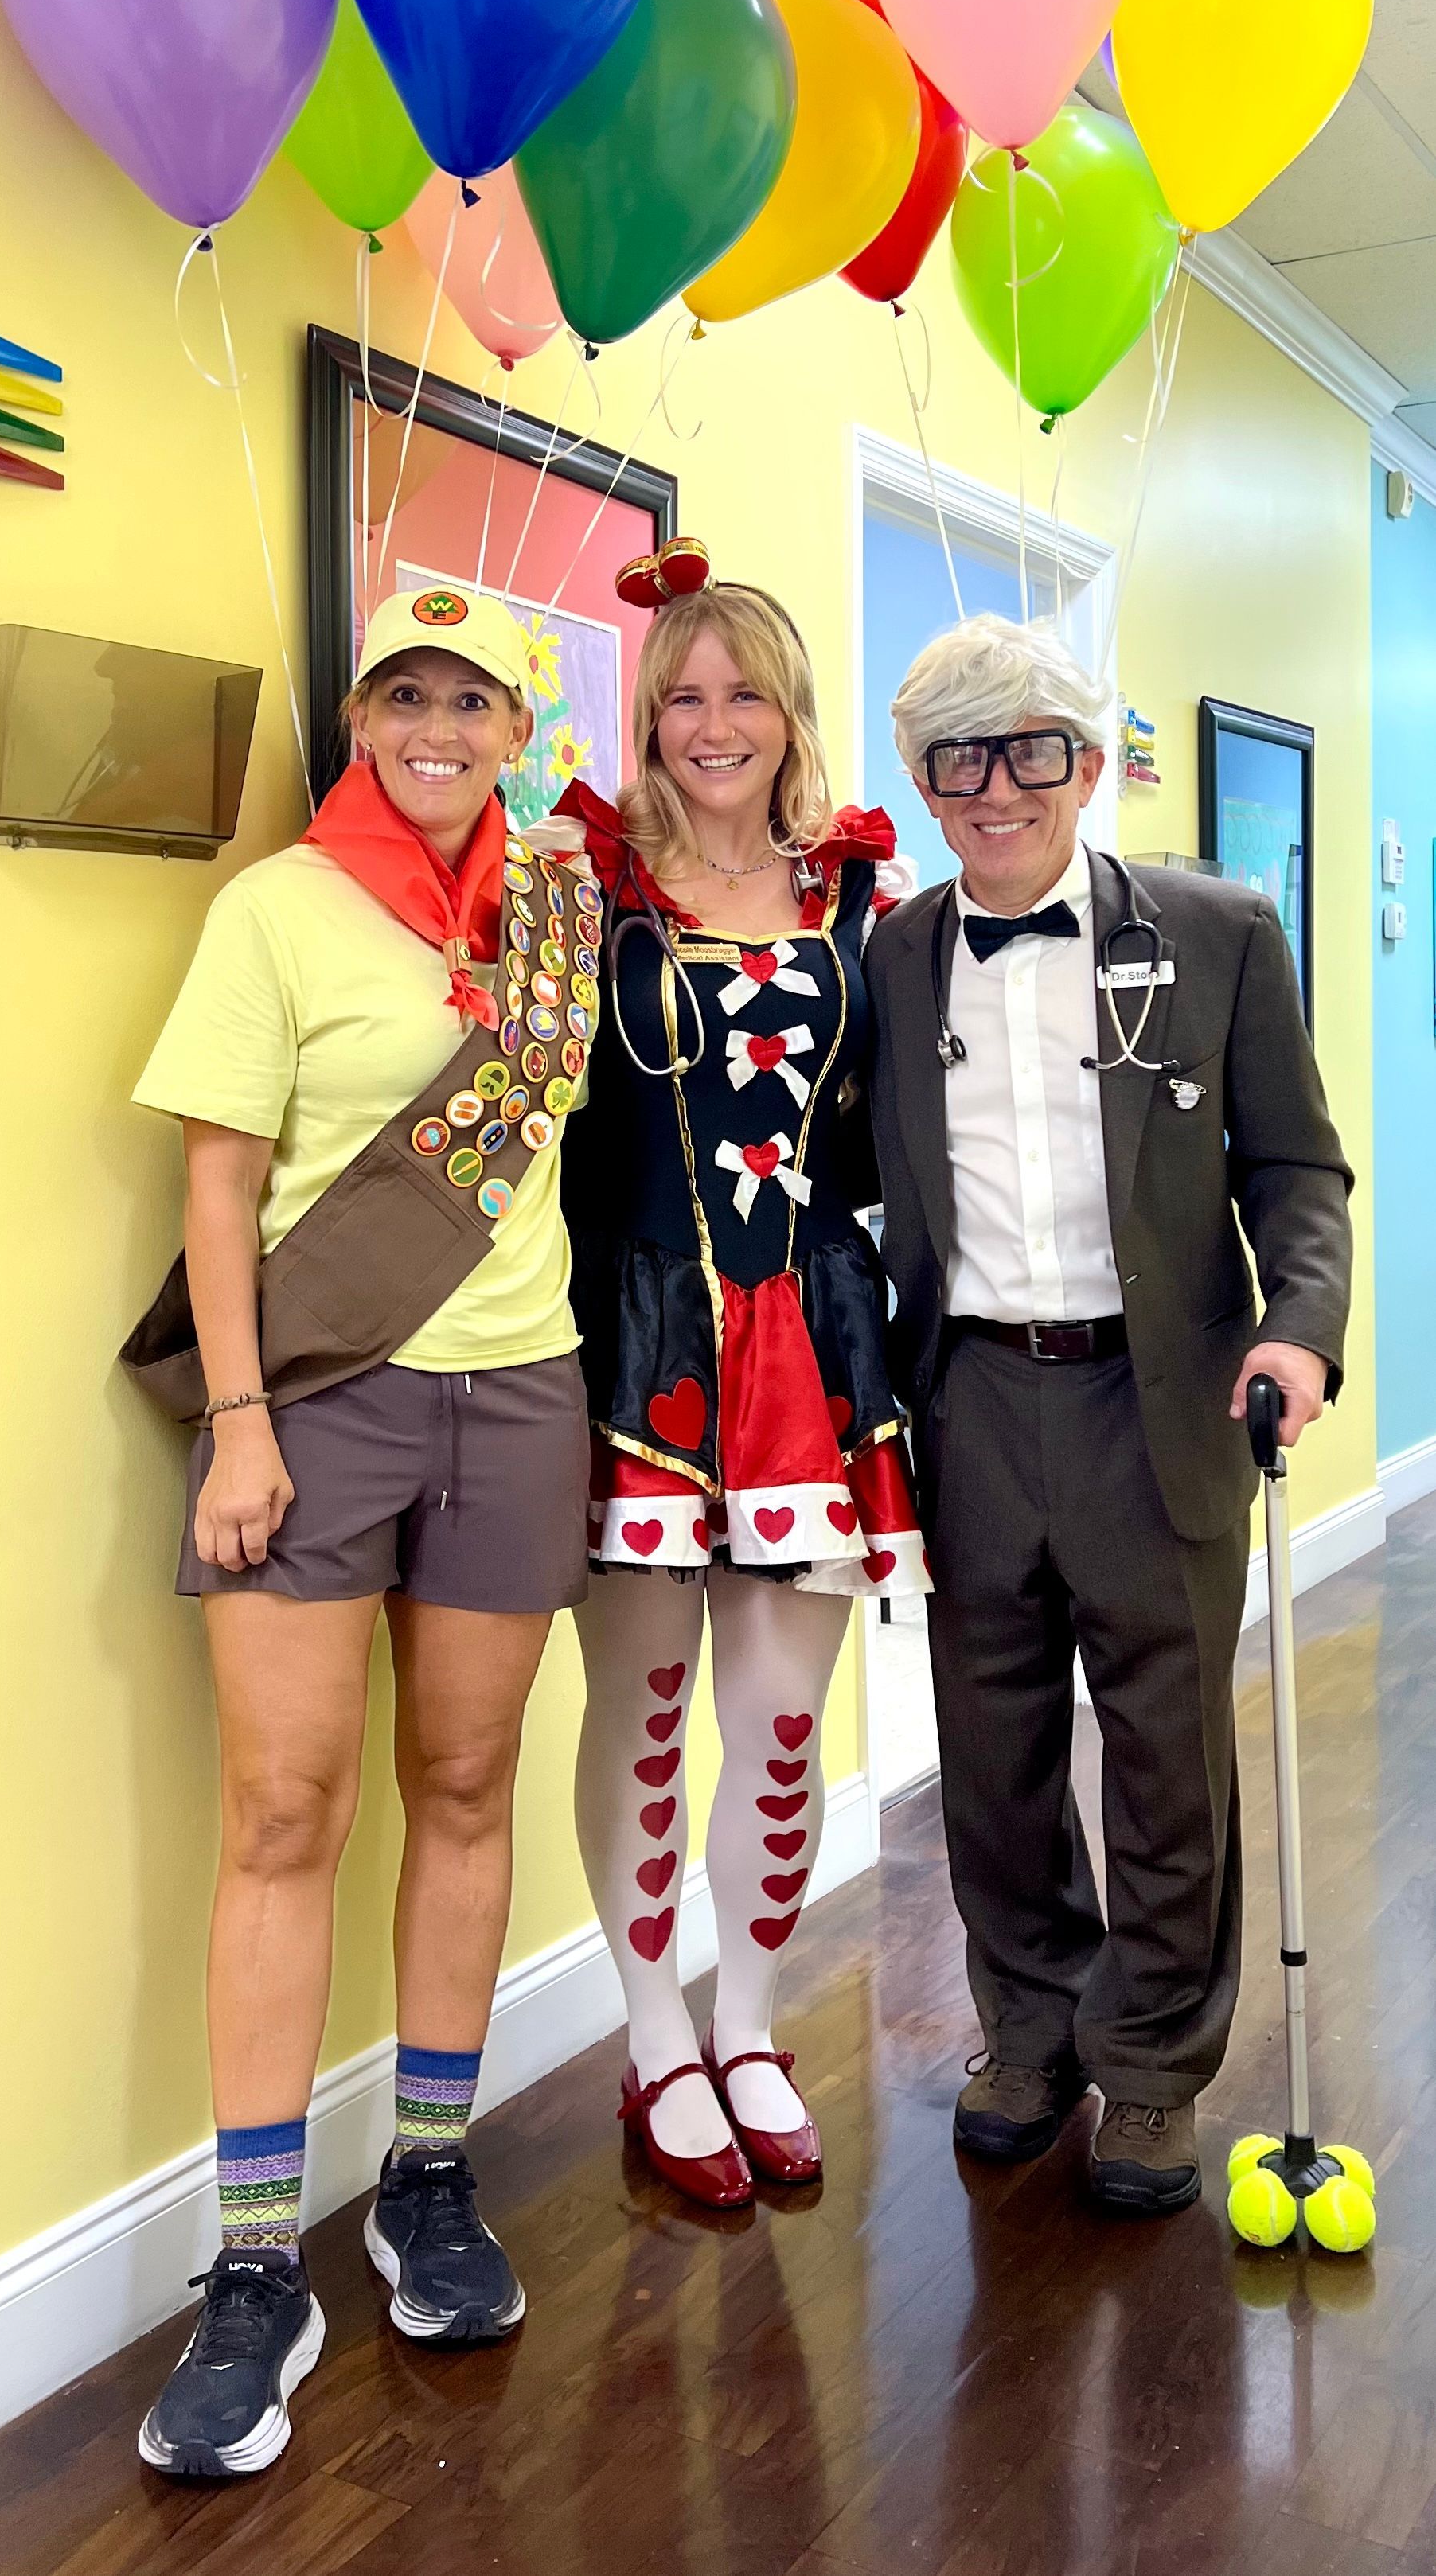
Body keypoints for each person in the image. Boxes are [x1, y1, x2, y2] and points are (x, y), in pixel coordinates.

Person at [124, 586, 595, 2475]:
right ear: (362, 717)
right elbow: (216, 1187)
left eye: (472, 700)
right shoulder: (280, 909)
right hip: (320, 1402)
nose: (437, 727)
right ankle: (257, 2263)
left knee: (466, 1782)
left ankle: (426, 2175)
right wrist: (240, 1422)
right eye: (407, 694)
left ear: (514, 731)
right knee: (283, 1811)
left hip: (526, 1392)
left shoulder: (557, 911)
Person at [867, 613, 1352, 2215]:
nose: (997, 787)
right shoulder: (894, 955)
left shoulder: (1218, 930)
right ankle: (1029, 2029)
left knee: (1164, 1749)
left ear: (1084, 763)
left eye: (1031, 750)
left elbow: (1298, 1169)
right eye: (959, 759)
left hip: (1166, 1396)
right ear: (924, 783)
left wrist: (1299, 1329)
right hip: (971, 1394)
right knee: (991, 1751)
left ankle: (1150, 2059)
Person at [544, 543, 927, 2207]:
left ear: (790, 713)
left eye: (744, 693)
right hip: (636, 1340)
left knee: (780, 1727)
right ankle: (653, 2038)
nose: (713, 724)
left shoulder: (860, 901)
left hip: (812, 1347)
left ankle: (749, 2025)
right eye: (682, 696)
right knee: (641, 1713)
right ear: (648, 718)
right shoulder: (584, 888)